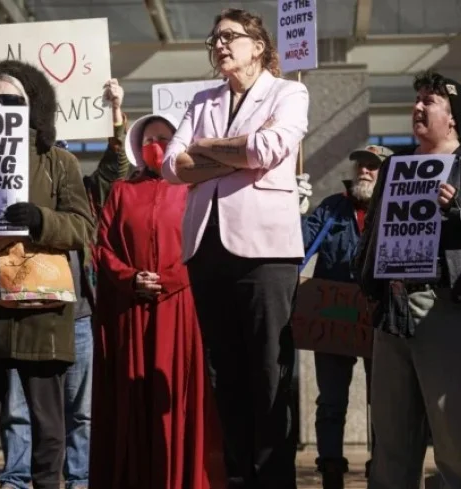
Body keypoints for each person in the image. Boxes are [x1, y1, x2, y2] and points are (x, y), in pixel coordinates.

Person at [161, 8, 309, 488]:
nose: (220, 45)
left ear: (258, 46)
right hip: (206, 247)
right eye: (215, 38)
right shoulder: (202, 99)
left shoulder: (289, 92)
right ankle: (239, 479)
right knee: (224, 375)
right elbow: (170, 164)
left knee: (268, 373)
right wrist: (233, 154)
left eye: (230, 36)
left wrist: (207, 150)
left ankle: (273, 480)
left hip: (266, 251)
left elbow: (268, 149)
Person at [0, 60, 95, 489]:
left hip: (40, 310)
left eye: (12, 100)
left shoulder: (58, 161)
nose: (2, 106)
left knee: (49, 423)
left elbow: (84, 229)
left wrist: (41, 220)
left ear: (33, 108)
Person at [354, 71, 461, 489]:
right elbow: (371, 231)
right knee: (390, 445)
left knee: (458, 441)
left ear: (454, 116)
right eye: (418, 99)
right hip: (393, 311)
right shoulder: (395, 168)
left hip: (448, 309)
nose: (418, 107)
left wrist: (460, 210)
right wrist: (366, 281)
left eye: (430, 100)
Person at [0, 78, 131, 489]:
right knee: (18, 408)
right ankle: (17, 479)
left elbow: (117, 166)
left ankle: (79, 480)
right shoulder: (8, 183)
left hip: (78, 313)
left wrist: (116, 114)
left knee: (80, 409)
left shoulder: (85, 191)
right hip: (27, 305)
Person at [89, 113, 215, 489]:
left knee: (177, 397)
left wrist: (173, 279)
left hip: (179, 308)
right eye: (148, 139)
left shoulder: (196, 188)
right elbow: (103, 248)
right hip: (132, 311)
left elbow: (207, 243)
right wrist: (132, 279)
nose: (156, 144)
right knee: (132, 397)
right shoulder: (122, 192)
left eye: (164, 136)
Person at [301, 145, 393, 489]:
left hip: (380, 317)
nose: (365, 171)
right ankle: (331, 470)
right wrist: (290, 209)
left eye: (373, 166)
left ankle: (382, 466)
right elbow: (297, 243)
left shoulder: (398, 210)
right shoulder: (331, 208)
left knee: (382, 401)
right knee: (331, 400)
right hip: (334, 317)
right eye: (360, 165)